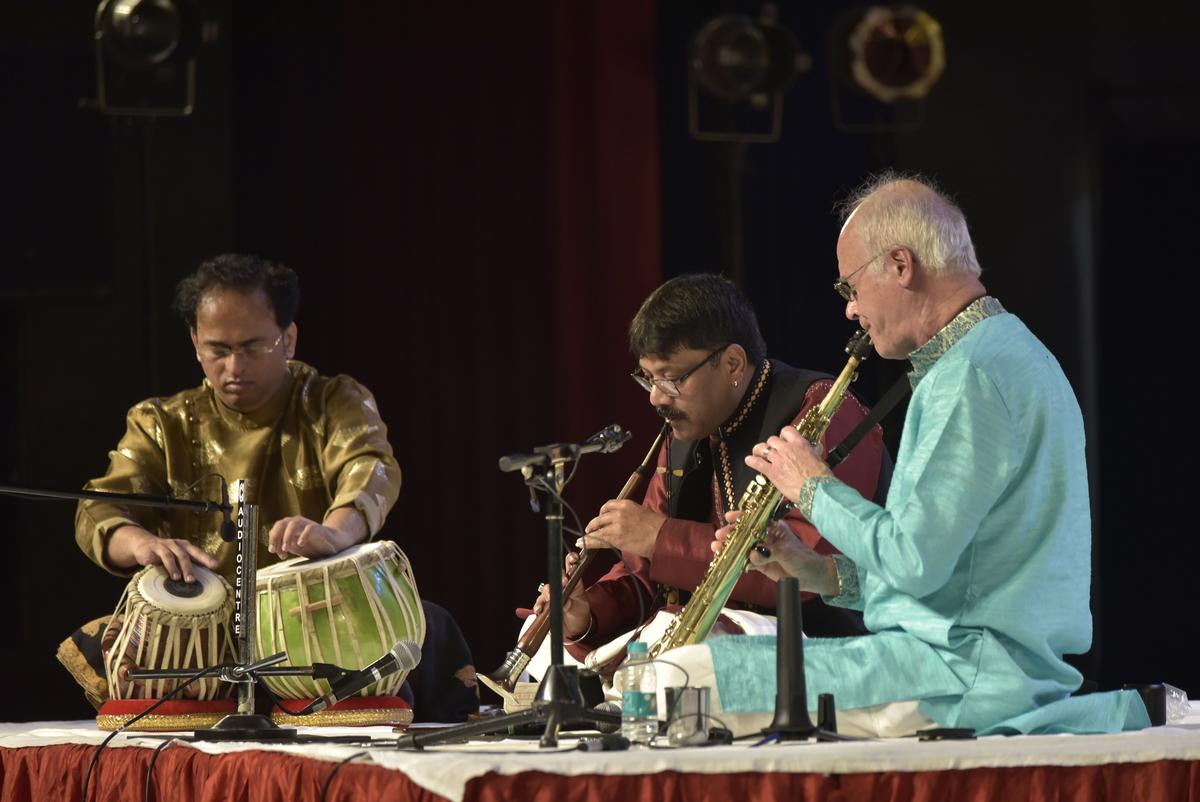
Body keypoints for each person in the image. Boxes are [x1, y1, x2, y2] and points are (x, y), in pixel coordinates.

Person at [708, 174, 1147, 736]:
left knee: (682, 677)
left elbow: (914, 563)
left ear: (900, 264)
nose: (849, 310)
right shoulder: (1009, 354)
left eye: (850, 288)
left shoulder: (967, 376)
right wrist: (816, 570)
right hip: (979, 668)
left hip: (955, 680)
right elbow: (952, 577)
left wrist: (812, 485)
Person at [64, 254, 477, 721]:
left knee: (428, 624)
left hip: (320, 614)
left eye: (253, 346)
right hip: (204, 631)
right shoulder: (162, 422)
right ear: (196, 343)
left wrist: (336, 533)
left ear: (289, 339)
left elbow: (370, 466)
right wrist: (144, 545)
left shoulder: (332, 401)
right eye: (218, 349)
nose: (234, 366)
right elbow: (97, 508)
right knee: (106, 640)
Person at [522, 274, 890, 671]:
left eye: (672, 378)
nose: (656, 397)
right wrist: (588, 612)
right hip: (710, 651)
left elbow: (810, 566)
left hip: (824, 653)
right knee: (546, 652)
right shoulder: (685, 428)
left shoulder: (823, 410)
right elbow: (648, 577)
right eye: (648, 377)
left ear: (732, 362)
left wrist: (660, 537)